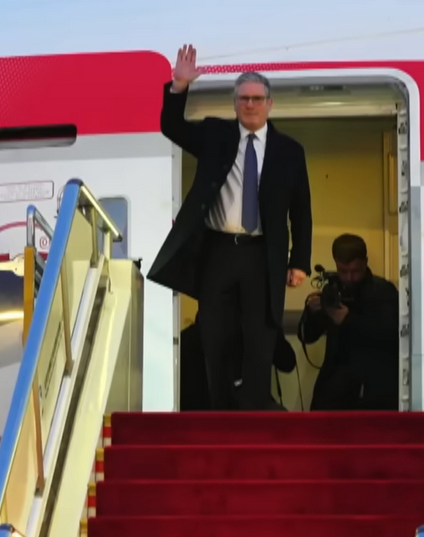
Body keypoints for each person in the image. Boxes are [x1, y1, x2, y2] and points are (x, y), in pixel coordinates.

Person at [147, 44, 313, 411]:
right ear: (235, 103)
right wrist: (179, 86)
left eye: (257, 99)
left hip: (262, 254)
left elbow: (301, 210)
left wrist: (299, 261)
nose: (250, 105)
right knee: (213, 332)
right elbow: (171, 126)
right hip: (218, 250)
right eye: (243, 99)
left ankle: (253, 409)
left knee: (260, 334)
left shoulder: (290, 151)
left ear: (270, 104)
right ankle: (220, 409)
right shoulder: (215, 134)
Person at [298, 234, 399, 411]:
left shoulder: (383, 292)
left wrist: (348, 320)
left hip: (373, 392)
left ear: (365, 262)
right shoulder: (333, 290)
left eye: (355, 271)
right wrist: (313, 313)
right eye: (343, 271)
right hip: (334, 390)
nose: (349, 277)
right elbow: (307, 336)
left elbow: (391, 336)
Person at [179, 315, 297, 411]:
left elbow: (288, 362)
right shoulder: (252, 327)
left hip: (195, 421)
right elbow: (287, 362)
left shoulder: (184, 340)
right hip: (241, 415)